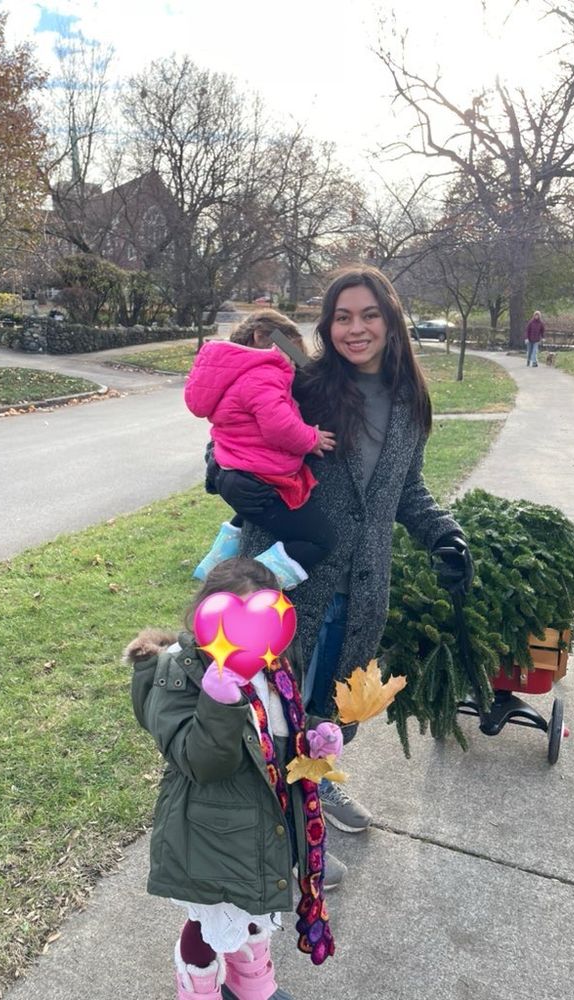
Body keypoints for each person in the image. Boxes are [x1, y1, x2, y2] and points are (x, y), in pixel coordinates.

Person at [212, 266, 474, 838]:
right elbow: (233, 429)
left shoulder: (409, 401)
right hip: (287, 572)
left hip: (360, 584)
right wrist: (221, 474)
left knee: (326, 700)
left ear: (391, 321)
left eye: (369, 315)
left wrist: (442, 533)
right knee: (265, 701)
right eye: (342, 317)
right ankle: (273, 833)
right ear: (327, 326)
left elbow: (407, 488)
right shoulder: (304, 386)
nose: (356, 329)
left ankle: (314, 786)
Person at [127, 557, 340, 1000]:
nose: (246, 636)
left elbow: (280, 734)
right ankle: (198, 989)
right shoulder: (177, 673)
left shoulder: (275, 667)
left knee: (254, 915)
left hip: (265, 824)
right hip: (209, 834)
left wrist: (313, 738)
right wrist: (217, 703)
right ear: (205, 616)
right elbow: (201, 762)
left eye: (260, 623)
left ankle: (251, 986)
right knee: (210, 926)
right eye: (233, 624)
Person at [185, 310, 337, 590]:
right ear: (260, 337)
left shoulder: (237, 372)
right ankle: (247, 586)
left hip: (238, 471)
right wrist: (311, 439)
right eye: (291, 351)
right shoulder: (264, 373)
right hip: (258, 478)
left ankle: (217, 561)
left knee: (249, 515)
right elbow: (279, 426)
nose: (294, 362)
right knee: (320, 539)